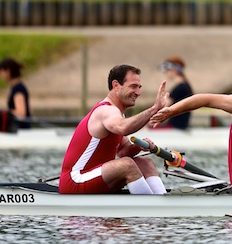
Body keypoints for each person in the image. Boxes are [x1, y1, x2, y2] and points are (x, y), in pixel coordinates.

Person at [59, 64, 170, 195]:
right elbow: (123, 128)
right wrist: (153, 109)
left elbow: (123, 151)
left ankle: (161, 201)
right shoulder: (105, 111)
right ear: (116, 85)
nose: (138, 92)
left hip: (96, 177)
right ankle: (152, 208)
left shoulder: (117, 114)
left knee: (145, 163)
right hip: (75, 181)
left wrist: (138, 147)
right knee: (126, 165)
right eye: (133, 86)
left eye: (139, 87)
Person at [158, 55, 193, 130]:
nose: (165, 73)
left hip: (174, 129)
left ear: (174, 70)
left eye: (167, 70)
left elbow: (162, 110)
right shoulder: (186, 86)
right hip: (180, 128)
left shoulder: (180, 88)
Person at [0, 57, 31, 129]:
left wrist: (4, 113)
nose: (0, 75)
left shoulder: (18, 89)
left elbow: (21, 113)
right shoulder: (16, 87)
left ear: (8, 71)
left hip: (21, 131)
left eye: (1, 72)